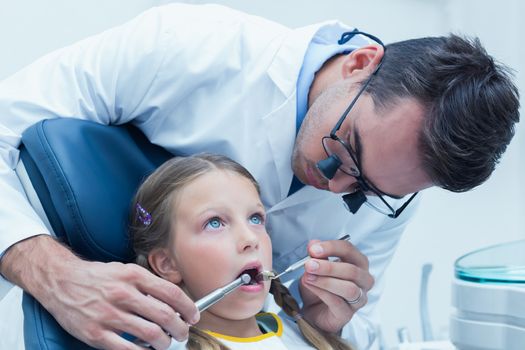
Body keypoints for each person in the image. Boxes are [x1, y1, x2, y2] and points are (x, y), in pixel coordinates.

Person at [0, 3, 519, 350]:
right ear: (361, 63)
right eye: (345, 151)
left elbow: (359, 327)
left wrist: (329, 320)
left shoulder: (393, 184)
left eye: (366, 192)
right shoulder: (188, 47)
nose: (335, 187)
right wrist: (51, 272)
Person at [129, 153, 353, 349]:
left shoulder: (308, 336)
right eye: (215, 223)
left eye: (255, 218)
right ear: (167, 263)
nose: (250, 239)